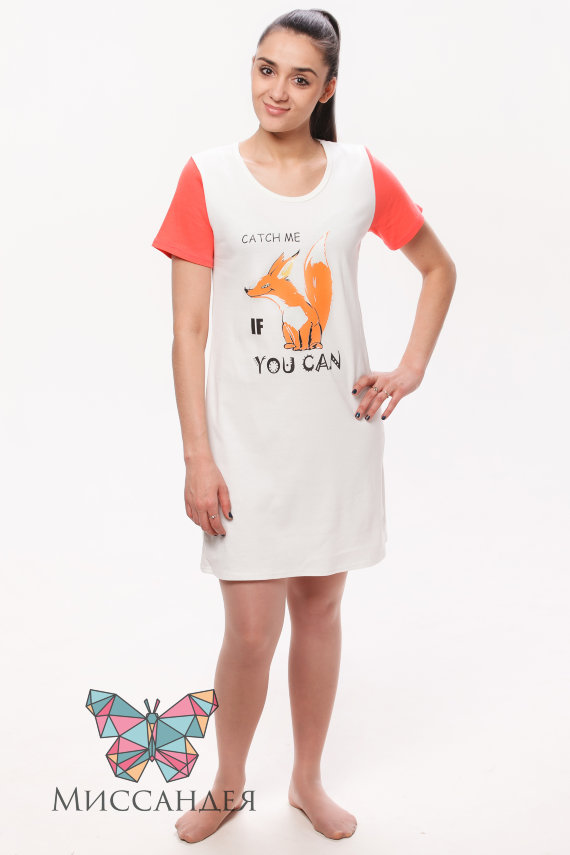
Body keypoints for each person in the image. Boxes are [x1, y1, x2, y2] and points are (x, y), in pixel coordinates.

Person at [151, 8, 456, 844]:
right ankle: (227, 782)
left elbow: (438, 267)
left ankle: (307, 779)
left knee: (320, 611)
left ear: (327, 89)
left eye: (298, 77)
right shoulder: (207, 176)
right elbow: (187, 331)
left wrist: (410, 367)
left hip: (335, 442)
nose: (276, 91)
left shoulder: (359, 173)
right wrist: (198, 457)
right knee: (251, 631)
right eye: (265, 69)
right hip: (244, 450)